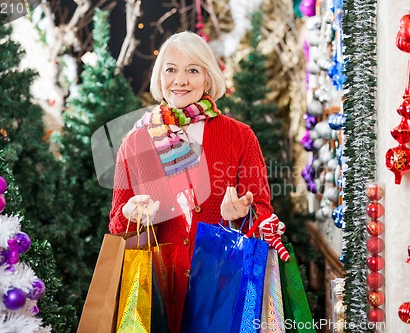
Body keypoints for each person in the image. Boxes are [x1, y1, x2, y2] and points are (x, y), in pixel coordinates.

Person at [109, 31, 286, 333]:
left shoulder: (239, 136)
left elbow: (264, 215)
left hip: (224, 289)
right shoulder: (135, 143)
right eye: (171, 69)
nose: (180, 80)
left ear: (208, 78)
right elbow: (116, 225)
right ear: (159, 77)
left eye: (192, 70)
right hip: (161, 294)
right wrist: (129, 215)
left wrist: (242, 216)